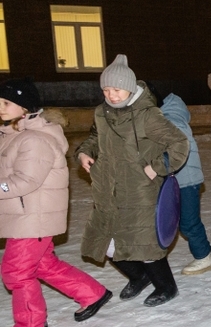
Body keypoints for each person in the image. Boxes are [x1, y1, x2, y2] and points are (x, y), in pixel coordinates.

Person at [0, 79, 112, 327]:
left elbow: (27, 180)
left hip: (34, 217)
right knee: (44, 265)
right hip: (25, 215)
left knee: (16, 270)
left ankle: (30, 324)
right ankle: (92, 293)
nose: (0, 108)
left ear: (25, 109)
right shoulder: (11, 134)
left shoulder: (34, 139)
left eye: (6, 103)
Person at [76, 55, 189, 307]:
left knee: (144, 243)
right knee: (107, 241)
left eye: (116, 89)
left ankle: (166, 286)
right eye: (106, 89)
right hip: (108, 186)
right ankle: (139, 277)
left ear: (130, 87)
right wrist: (84, 152)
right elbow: (94, 138)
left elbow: (179, 143)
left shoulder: (147, 115)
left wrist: (157, 168)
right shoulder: (101, 113)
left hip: (140, 188)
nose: (111, 95)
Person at [158, 92, 211, 275]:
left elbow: (176, 150)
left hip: (186, 179)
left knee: (188, 222)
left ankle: (203, 257)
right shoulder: (167, 116)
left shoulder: (171, 120)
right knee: (165, 219)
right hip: (175, 178)